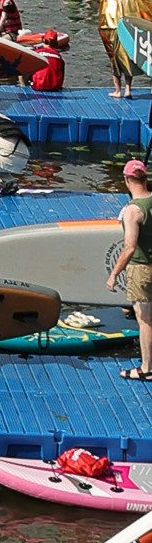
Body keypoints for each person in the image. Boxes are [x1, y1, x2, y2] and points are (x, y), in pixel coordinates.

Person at [107, 159, 152, 382]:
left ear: (126, 180)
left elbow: (130, 247)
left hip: (141, 269)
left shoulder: (132, 210)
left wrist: (114, 274)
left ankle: (146, 368)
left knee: (144, 320)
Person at [29, 28, 65, 92]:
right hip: (55, 87)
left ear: (43, 39)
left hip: (38, 86)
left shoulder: (37, 52)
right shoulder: (58, 56)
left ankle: (23, 86)